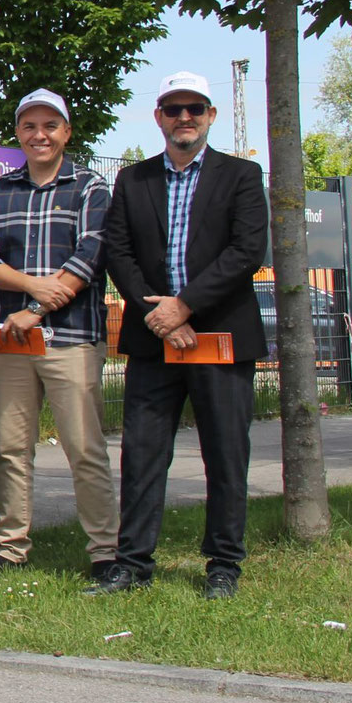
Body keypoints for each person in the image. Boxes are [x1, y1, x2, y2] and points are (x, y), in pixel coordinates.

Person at [94, 71, 267, 600]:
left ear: (212, 115)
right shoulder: (134, 180)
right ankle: (132, 563)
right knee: (143, 454)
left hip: (218, 336)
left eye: (195, 109)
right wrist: (158, 314)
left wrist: (185, 307)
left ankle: (223, 566)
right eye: (174, 109)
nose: (184, 118)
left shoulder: (241, 175)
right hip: (153, 338)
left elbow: (247, 252)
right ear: (159, 117)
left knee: (225, 453)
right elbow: (117, 251)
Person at [0, 89, 118, 579]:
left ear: (67, 132)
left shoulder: (92, 187)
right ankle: (11, 548)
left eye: (50, 126)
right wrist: (33, 288)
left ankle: (104, 551)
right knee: (12, 449)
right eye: (30, 126)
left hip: (72, 339)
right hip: (12, 344)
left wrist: (34, 308)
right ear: (18, 133)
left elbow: (91, 255)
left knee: (85, 450)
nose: (40, 135)